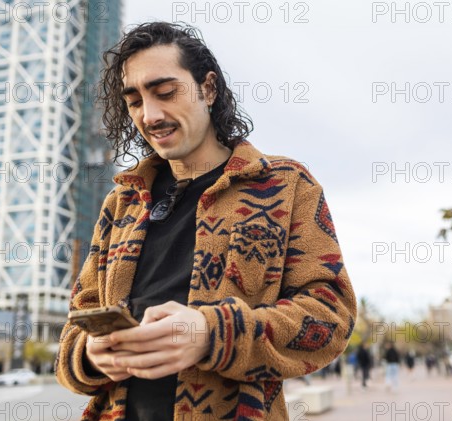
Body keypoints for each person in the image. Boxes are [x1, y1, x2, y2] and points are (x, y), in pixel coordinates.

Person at [54, 22, 357, 420]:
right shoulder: (121, 203)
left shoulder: (286, 185)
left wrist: (211, 334)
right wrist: (90, 355)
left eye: (165, 92)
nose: (150, 115)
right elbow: (73, 333)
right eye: (134, 101)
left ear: (209, 88)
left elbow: (330, 317)